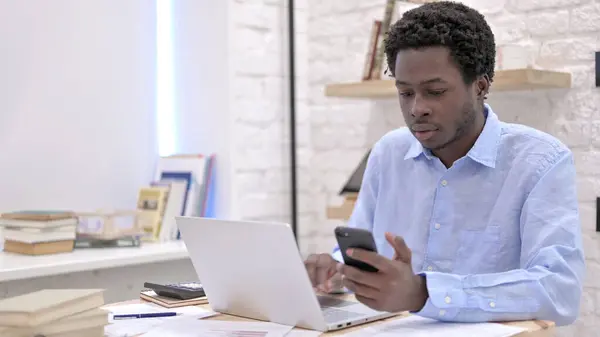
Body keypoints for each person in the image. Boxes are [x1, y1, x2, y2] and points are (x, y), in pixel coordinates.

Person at [304, 1, 585, 326]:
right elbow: (358, 256)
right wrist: (336, 271)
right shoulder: (388, 153)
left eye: (434, 91)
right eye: (405, 93)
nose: (416, 109)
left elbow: (559, 291)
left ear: (480, 87)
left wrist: (423, 292)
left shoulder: (540, 162)